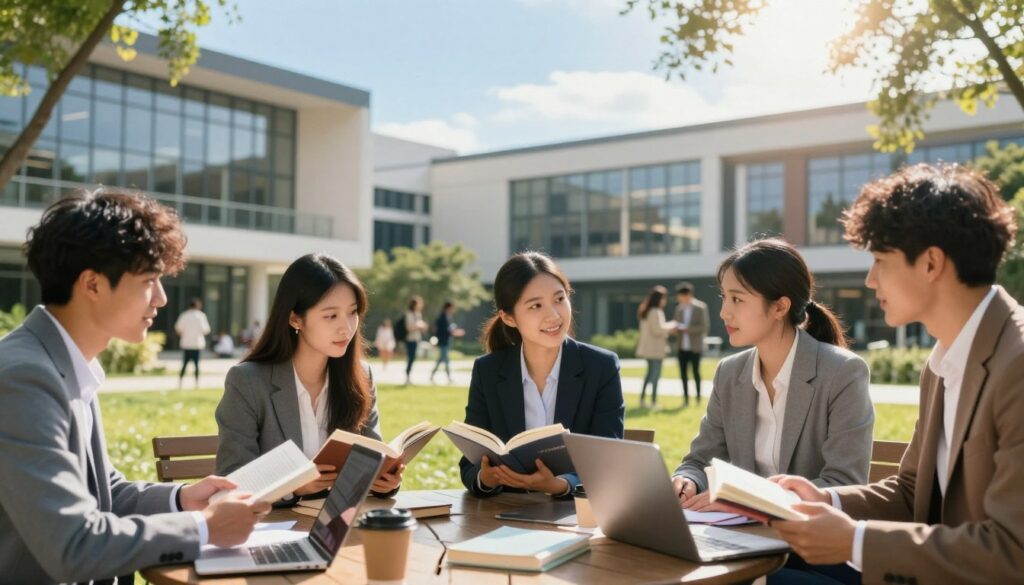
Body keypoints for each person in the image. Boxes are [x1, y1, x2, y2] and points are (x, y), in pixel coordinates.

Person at [769, 164, 1024, 585]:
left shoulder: (1016, 365)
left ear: (930, 263)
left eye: (881, 260)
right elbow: (911, 493)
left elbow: (1014, 553)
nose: (870, 280)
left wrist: (854, 542)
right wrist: (826, 498)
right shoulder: (943, 362)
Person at [0, 188, 268, 583]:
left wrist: (182, 499)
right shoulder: (24, 378)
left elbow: (104, 491)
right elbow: (73, 544)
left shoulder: (63, 361)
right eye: (149, 280)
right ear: (92, 284)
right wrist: (205, 528)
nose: (160, 299)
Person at [671, 238, 874, 521]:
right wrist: (687, 480)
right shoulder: (729, 373)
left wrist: (748, 501)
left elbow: (843, 484)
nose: (724, 312)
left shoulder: (842, 372)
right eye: (724, 297)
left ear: (780, 308)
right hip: (738, 537)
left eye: (737, 299)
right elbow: (700, 460)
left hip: (809, 546)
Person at [215, 253, 402, 500]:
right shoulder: (248, 382)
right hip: (271, 530)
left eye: (352, 312)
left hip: (338, 529)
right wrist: (292, 487)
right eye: (331, 316)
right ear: (295, 319)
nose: (346, 327)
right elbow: (231, 478)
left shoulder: (361, 376)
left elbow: (373, 455)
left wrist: (386, 482)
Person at [459, 251, 626, 498]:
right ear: (508, 317)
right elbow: (469, 467)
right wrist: (486, 477)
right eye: (536, 305)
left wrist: (560, 484)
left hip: (574, 518)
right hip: (505, 519)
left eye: (559, 299)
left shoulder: (600, 367)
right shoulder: (488, 371)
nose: (555, 315)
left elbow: (607, 461)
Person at [635, 285, 676, 409]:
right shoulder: (655, 311)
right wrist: (671, 327)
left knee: (649, 375)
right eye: (664, 298)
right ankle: (652, 402)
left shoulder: (646, 310)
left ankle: (642, 400)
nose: (665, 301)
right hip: (655, 349)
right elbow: (657, 330)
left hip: (649, 348)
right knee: (655, 376)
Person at [674, 282, 710, 406]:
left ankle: (698, 398)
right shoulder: (679, 309)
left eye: (681, 296)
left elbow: (704, 327)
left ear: (687, 294)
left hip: (695, 347)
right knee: (683, 374)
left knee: (696, 373)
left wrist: (686, 329)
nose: (679, 298)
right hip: (681, 347)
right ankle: (686, 400)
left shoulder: (700, 307)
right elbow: (676, 325)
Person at [175, 297, 210, 389]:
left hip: (186, 343)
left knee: (184, 364)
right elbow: (206, 330)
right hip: (196, 344)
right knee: (196, 365)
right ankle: (196, 384)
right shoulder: (201, 316)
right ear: (198, 306)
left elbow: (178, 329)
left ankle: (180, 383)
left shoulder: (184, 315)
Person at [431, 301, 465, 385]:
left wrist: (453, 332)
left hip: (447, 341)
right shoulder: (442, 317)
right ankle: (449, 377)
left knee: (441, 359)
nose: (453, 310)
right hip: (443, 341)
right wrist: (454, 332)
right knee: (446, 360)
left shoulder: (448, 317)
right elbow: (442, 330)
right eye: (452, 308)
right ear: (448, 308)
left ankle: (432, 375)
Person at [402, 296, 428, 385]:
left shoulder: (418, 314)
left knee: (412, 358)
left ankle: (409, 376)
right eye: (419, 303)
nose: (420, 305)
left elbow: (420, 328)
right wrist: (418, 326)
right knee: (411, 357)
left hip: (416, 338)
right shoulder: (409, 314)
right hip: (410, 339)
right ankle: (407, 376)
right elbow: (408, 328)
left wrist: (423, 327)